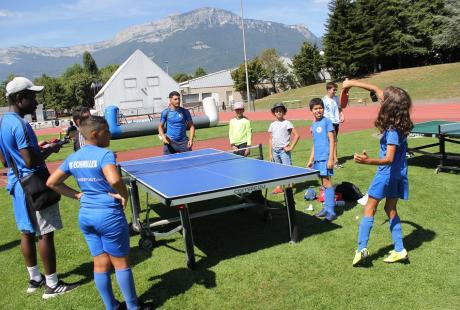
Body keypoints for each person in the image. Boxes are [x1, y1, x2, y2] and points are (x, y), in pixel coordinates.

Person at [47, 116, 148, 309]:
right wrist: (124, 194)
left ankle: (112, 307)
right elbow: (114, 179)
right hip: (108, 215)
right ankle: (134, 307)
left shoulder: (74, 157)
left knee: (100, 264)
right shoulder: (105, 154)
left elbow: (52, 182)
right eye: (107, 131)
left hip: (87, 217)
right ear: (95, 134)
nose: (110, 134)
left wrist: (77, 195)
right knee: (121, 264)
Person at [0, 77, 79, 298]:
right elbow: (29, 161)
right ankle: (52, 285)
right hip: (33, 185)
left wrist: (39, 147)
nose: (36, 102)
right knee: (46, 234)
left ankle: (35, 279)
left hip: (17, 186)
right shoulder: (21, 125)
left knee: (26, 232)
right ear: (19, 98)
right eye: (32, 97)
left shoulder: (4, 123)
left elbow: (7, 161)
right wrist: (51, 150)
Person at [345, 80, 412, 266]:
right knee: (390, 209)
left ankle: (361, 249)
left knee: (369, 208)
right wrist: (351, 83)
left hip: (386, 174)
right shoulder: (401, 124)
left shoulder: (391, 130)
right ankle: (400, 249)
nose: (380, 101)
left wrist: (367, 161)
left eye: (384, 101)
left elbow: (389, 159)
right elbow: (375, 89)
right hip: (399, 174)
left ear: (389, 106)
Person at [306, 98, 337, 222]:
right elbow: (315, 143)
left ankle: (331, 212)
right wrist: (310, 159)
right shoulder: (314, 125)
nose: (318, 110)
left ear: (323, 109)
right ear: (311, 111)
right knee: (323, 184)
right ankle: (326, 208)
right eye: (315, 109)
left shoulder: (327, 122)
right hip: (318, 159)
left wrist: (331, 158)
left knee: (327, 183)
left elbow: (332, 140)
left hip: (325, 158)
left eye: (320, 108)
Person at [268, 102, 299, 194]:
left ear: (284, 112)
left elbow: (297, 135)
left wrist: (291, 147)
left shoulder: (287, 123)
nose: (279, 112)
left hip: (284, 151)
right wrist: (270, 153)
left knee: (288, 169)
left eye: (281, 111)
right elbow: (270, 139)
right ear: (274, 113)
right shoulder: (272, 125)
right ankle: (278, 187)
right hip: (275, 151)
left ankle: (290, 187)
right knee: (278, 169)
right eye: (277, 111)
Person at [322, 82, 345, 168]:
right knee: (334, 142)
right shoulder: (323, 100)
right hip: (328, 123)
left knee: (332, 142)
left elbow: (339, 108)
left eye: (336, 90)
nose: (335, 91)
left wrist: (342, 115)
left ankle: (329, 159)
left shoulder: (336, 98)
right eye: (333, 90)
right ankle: (335, 161)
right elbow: (319, 112)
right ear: (328, 89)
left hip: (336, 122)